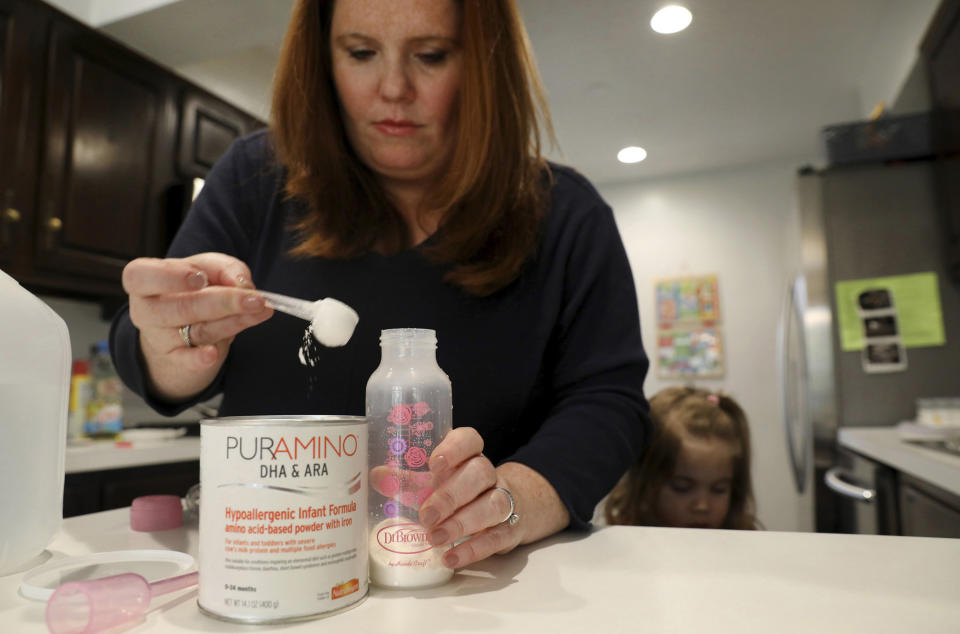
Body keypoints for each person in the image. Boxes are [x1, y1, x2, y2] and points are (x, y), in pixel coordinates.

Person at [110, 0, 651, 570]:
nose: (393, 88)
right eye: (361, 52)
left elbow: (609, 403)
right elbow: (143, 351)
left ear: (486, 67)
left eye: (432, 55)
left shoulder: (565, 215)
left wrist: (512, 501)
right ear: (323, 57)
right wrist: (172, 349)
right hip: (271, 571)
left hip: (464, 580)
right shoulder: (255, 177)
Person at [602, 386, 759, 530]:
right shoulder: (623, 536)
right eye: (682, 487)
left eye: (719, 489)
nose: (702, 506)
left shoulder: (744, 541)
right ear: (645, 482)